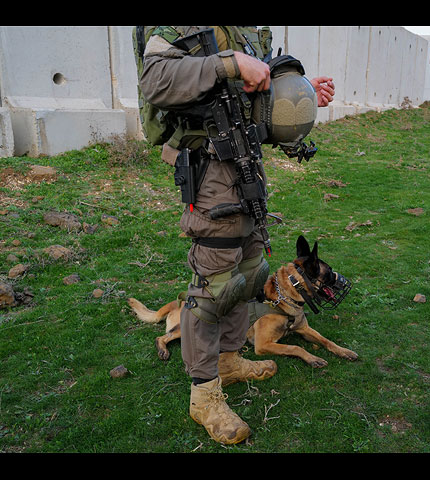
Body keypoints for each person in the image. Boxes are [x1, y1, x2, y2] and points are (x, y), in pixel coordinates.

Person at [137, 26, 334, 445]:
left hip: (246, 169)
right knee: (212, 289)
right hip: (209, 171)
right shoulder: (182, 30)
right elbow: (155, 81)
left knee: (248, 273)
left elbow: (241, 103)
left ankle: (228, 360)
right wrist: (230, 63)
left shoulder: (244, 32)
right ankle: (204, 395)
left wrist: (296, 94)